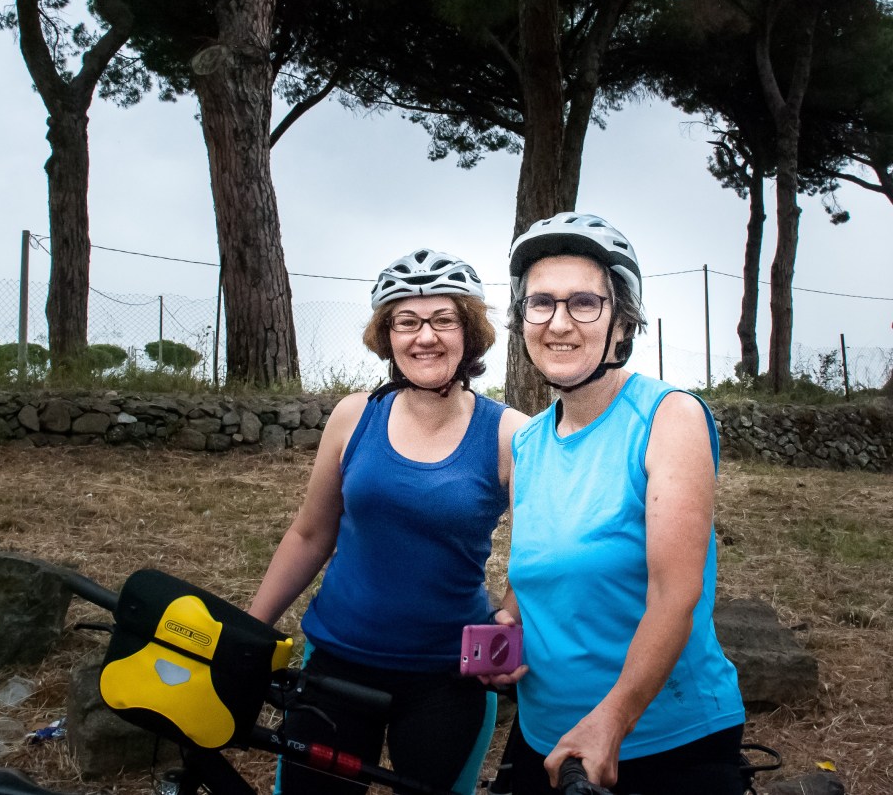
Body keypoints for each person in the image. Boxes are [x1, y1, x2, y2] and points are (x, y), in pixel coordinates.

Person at [248, 248, 527, 795]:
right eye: (406, 321)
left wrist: (510, 622)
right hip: (336, 661)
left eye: (444, 319)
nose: (426, 337)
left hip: (449, 677)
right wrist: (251, 631)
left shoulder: (509, 432)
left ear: (470, 332)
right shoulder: (355, 415)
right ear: (387, 335)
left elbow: (540, 552)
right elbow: (310, 533)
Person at [492, 213, 746, 795]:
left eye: (584, 303)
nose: (559, 323)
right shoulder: (528, 443)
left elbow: (675, 596)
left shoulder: (667, 417)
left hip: (661, 736)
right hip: (542, 732)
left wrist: (614, 718)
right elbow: (533, 574)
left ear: (623, 323)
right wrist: (506, 627)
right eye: (540, 303)